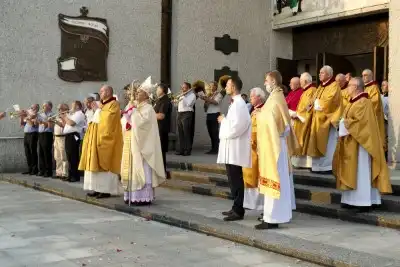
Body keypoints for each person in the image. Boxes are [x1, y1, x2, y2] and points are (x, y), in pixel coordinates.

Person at [333, 77, 392, 212]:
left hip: (362, 145)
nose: (347, 88)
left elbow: (360, 123)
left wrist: (343, 122)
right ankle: (350, 199)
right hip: (352, 142)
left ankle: (362, 201)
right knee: (352, 170)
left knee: (360, 171)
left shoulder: (364, 102)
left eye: (349, 86)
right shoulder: (353, 102)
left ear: (356, 87)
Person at [256, 70, 298, 230]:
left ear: (273, 81)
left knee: (275, 179)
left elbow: (280, 123)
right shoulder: (274, 98)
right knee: (273, 180)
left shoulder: (276, 98)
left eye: (266, 80)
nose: (265, 83)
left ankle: (273, 218)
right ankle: (270, 215)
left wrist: (260, 116)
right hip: (271, 145)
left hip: (276, 146)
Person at [121, 79, 166, 205]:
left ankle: (142, 197)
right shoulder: (134, 106)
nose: (136, 94)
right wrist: (128, 112)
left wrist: (133, 113)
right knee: (130, 167)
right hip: (131, 141)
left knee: (141, 168)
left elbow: (142, 125)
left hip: (142, 146)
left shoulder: (148, 109)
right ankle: (130, 195)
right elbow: (124, 122)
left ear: (146, 95)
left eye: (139, 92)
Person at [217, 76, 251, 221]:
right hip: (231, 148)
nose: (225, 87)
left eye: (228, 85)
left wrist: (223, 121)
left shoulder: (239, 104)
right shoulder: (235, 103)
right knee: (232, 179)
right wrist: (226, 121)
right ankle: (235, 206)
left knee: (236, 179)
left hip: (236, 149)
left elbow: (237, 127)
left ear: (234, 87)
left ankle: (239, 210)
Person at [79, 85, 123, 198]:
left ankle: (105, 190)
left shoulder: (114, 104)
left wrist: (97, 110)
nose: (100, 92)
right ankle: (97, 189)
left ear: (108, 92)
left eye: (102, 90)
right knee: (94, 164)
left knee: (104, 164)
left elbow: (109, 120)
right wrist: (97, 110)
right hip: (95, 138)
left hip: (105, 139)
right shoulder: (102, 105)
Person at [307, 66, 342, 173]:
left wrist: (318, 103)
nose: (319, 74)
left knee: (328, 144)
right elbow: (314, 100)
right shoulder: (321, 87)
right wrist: (311, 103)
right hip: (317, 120)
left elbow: (331, 101)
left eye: (322, 73)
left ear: (329, 74)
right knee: (316, 142)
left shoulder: (334, 86)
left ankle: (326, 166)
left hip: (327, 120)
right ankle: (317, 166)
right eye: (320, 72)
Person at [242, 87, 265, 214]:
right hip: (250, 146)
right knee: (248, 173)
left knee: (256, 174)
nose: (250, 98)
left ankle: (258, 203)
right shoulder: (252, 108)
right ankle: (249, 202)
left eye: (252, 96)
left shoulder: (264, 109)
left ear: (259, 97)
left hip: (257, 147)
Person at [291, 72, 317, 169]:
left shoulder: (312, 90)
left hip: (305, 121)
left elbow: (309, 106)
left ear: (305, 81)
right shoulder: (305, 91)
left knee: (304, 140)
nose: (300, 83)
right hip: (299, 119)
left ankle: (305, 164)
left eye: (301, 81)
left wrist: (298, 114)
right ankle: (299, 162)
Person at [61, 101, 86, 182]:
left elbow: (72, 123)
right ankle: (70, 175)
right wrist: (64, 117)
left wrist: (65, 117)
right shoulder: (73, 114)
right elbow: (67, 124)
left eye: (73, 105)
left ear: (78, 106)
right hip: (69, 136)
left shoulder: (79, 114)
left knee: (73, 156)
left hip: (74, 136)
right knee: (69, 156)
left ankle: (75, 176)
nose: (71, 107)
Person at [362, 69, 386, 151]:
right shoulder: (365, 88)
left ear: (371, 76)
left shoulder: (374, 88)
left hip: (371, 119)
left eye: (365, 75)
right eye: (362, 75)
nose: (363, 77)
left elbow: (374, 103)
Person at [200, 81, 223, 154]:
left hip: (215, 114)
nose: (210, 87)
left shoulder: (218, 94)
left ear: (216, 86)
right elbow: (205, 107)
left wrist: (205, 99)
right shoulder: (209, 95)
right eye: (209, 86)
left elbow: (216, 102)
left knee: (214, 132)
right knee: (210, 132)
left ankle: (216, 149)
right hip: (209, 114)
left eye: (212, 86)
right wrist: (205, 102)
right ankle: (213, 149)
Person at [154, 83, 172, 172]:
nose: (156, 91)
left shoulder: (165, 101)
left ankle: (162, 171)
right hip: (157, 128)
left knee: (161, 151)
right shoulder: (159, 100)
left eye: (157, 89)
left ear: (162, 90)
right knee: (158, 151)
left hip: (161, 128)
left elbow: (161, 116)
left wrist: (148, 114)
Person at [175, 82, 196, 156]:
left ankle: (187, 150)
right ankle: (181, 149)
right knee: (180, 133)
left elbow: (189, 104)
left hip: (187, 113)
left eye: (184, 87)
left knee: (186, 132)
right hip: (180, 113)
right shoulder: (181, 95)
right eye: (182, 87)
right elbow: (177, 104)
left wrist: (183, 96)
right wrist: (175, 101)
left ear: (188, 88)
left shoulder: (192, 95)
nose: (183, 89)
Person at [37, 101, 54, 177]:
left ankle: (48, 171)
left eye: (45, 106)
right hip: (40, 134)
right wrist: (36, 121)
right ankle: (42, 170)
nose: (44, 108)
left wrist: (43, 122)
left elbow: (50, 126)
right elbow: (36, 123)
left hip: (47, 134)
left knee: (46, 152)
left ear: (50, 107)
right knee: (40, 152)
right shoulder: (40, 114)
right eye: (43, 106)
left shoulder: (52, 114)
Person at [21, 104, 40, 175]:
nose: (30, 108)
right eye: (31, 107)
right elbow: (22, 124)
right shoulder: (28, 115)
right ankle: (30, 168)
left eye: (32, 107)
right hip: (26, 134)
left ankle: (35, 169)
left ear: (36, 109)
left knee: (33, 151)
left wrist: (26, 116)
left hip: (33, 134)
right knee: (27, 152)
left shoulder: (36, 115)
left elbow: (32, 124)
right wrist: (21, 116)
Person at [53, 103, 69, 180]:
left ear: (65, 109)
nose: (59, 110)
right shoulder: (58, 116)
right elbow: (56, 127)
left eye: (60, 108)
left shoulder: (67, 116)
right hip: (56, 137)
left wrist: (57, 120)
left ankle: (65, 173)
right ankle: (58, 172)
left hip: (63, 137)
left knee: (63, 156)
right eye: (59, 109)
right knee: (57, 156)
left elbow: (64, 125)